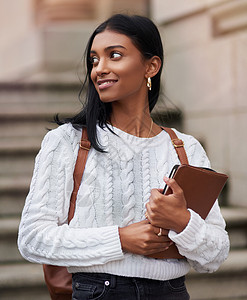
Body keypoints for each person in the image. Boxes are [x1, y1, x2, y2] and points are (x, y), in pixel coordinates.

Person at [18, 14, 229, 300]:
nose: (99, 69)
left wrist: (182, 222)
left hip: (172, 293)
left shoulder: (185, 148)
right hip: (98, 293)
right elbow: (32, 239)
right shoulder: (66, 141)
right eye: (94, 60)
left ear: (151, 66)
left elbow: (215, 255)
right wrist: (121, 239)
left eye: (114, 56)